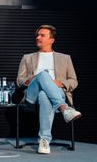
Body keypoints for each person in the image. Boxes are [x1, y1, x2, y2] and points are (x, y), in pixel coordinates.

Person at [17, 24, 81, 154]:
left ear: (51, 40)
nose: (38, 37)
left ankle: (44, 141)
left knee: (44, 95)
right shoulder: (27, 58)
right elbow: (19, 80)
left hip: (56, 92)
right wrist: (32, 79)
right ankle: (64, 109)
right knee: (43, 76)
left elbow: (73, 81)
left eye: (42, 35)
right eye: (37, 35)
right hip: (31, 95)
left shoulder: (65, 58)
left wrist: (60, 83)